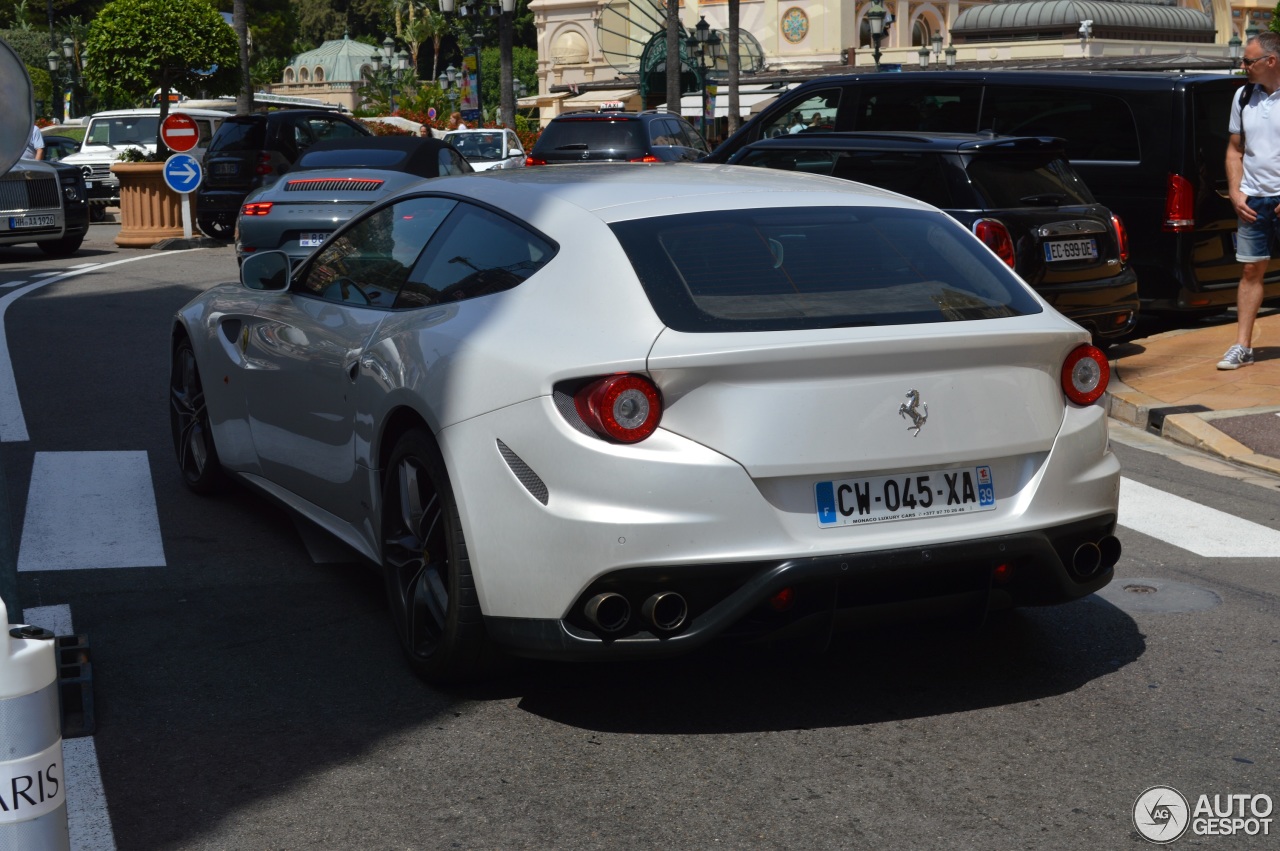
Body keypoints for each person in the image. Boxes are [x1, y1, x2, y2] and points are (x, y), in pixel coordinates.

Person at [1223, 31, 1280, 370]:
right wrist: (1235, 190)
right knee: (1250, 270)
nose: (1242, 65)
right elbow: (1234, 149)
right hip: (1253, 201)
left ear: (1270, 61)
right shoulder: (1244, 97)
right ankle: (1242, 346)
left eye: (1248, 61)